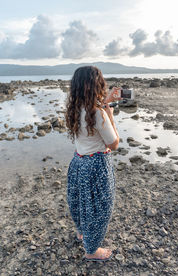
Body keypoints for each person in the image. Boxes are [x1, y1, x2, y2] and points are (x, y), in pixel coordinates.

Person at [65, 66, 121, 261]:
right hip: (96, 165)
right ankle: (92, 251)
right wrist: (110, 115)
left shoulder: (73, 108)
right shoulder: (97, 113)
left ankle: (82, 233)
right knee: (99, 208)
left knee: (80, 201)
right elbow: (114, 144)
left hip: (79, 162)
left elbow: (91, 117)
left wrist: (105, 103)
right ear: (96, 85)